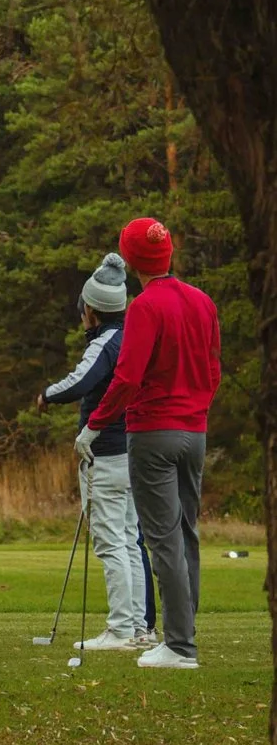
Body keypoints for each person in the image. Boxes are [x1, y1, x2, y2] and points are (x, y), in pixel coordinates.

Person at [84, 217, 222, 669]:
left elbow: (127, 377)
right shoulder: (203, 301)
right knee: (186, 535)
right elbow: (213, 369)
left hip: (152, 433)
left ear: (129, 259)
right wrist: (196, 409)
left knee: (162, 539)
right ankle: (184, 635)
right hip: (195, 432)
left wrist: (95, 425)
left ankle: (179, 646)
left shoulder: (144, 307)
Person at [36, 252, 153, 651]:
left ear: (91, 310)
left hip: (106, 455)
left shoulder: (105, 342)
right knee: (128, 540)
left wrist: (47, 394)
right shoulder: (131, 336)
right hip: (132, 452)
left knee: (110, 542)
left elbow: (80, 382)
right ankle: (138, 628)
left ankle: (120, 630)